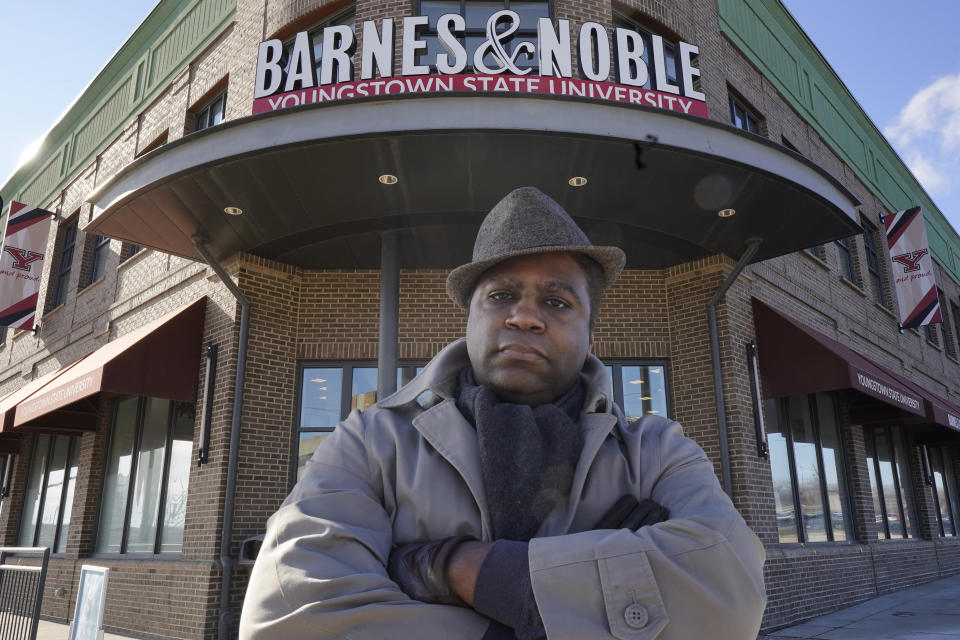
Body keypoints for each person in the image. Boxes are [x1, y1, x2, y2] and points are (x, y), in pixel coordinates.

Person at [239, 187, 766, 639]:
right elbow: (289, 618)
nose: (524, 316)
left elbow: (730, 592)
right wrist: (596, 592)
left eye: (558, 302)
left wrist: (454, 569)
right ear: (470, 320)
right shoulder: (371, 441)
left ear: (590, 339)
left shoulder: (657, 450)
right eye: (501, 295)